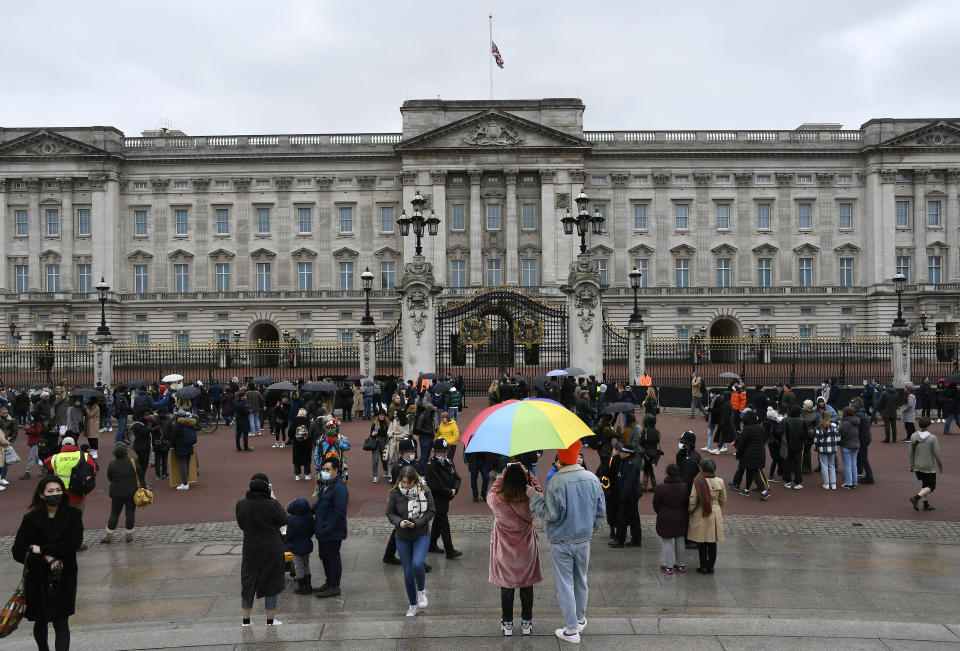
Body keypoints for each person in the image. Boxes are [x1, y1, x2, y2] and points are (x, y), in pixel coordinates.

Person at [527, 440, 605, 644]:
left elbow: (550, 514)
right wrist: (590, 529)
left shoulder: (556, 482)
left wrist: (533, 498)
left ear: (560, 459)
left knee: (565, 585)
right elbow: (600, 512)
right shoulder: (592, 478)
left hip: (562, 540)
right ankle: (579, 619)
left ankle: (571, 629)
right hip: (583, 539)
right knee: (581, 580)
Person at [12, 475, 83, 651]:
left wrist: (42, 549)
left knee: (61, 622)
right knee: (40, 620)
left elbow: (74, 544)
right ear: (42, 495)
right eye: (50, 491)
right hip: (38, 578)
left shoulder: (73, 515)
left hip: (63, 576)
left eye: (58, 490)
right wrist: (45, 559)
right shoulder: (30, 519)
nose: (55, 494)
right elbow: (18, 550)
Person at [487, 462, 542, 637]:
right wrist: (528, 474)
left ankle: (507, 624)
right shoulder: (531, 498)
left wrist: (501, 477)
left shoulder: (497, 500)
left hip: (505, 551)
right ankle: (527, 622)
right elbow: (539, 491)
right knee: (527, 586)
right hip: (526, 549)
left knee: (507, 587)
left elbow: (490, 493)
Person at [236, 473, 287, 627]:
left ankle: (246, 620)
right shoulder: (272, 504)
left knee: (248, 581)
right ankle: (270, 621)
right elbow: (283, 519)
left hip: (251, 548)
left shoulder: (241, 504)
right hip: (272, 548)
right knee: (272, 581)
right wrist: (274, 499)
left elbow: (242, 524)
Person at [387, 464, 436, 616]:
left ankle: (421, 590)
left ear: (415, 481)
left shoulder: (425, 491)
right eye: (403, 482)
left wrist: (418, 523)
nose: (406, 485)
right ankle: (412, 604)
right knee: (408, 573)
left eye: (409, 482)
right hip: (402, 536)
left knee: (417, 563)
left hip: (421, 534)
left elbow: (431, 511)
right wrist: (399, 522)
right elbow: (390, 513)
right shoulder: (395, 493)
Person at [313, 457, 349, 598]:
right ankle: (329, 582)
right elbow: (319, 503)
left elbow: (339, 513)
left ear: (336, 471)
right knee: (325, 557)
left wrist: (326, 528)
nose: (325, 472)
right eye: (323, 469)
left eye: (328, 469)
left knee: (333, 558)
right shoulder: (326, 484)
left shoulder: (339, 488)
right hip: (323, 530)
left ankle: (335, 586)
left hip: (332, 531)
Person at [425, 438, 463, 558]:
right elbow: (435, 485)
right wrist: (449, 492)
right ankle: (449, 550)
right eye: (442, 452)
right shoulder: (430, 465)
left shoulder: (448, 462)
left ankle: (431, 544)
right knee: (443, 522)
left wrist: (455, 490)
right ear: (436, 452)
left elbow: (457, 477)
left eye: (446, 451)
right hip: (437, 498)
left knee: (438, 520)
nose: (445, 453)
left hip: (446, 497)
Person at [688, 457, 726, 574]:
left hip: (701, 512)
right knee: (712, 542)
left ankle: (703, 566)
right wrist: (716, 506)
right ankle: (711, 566)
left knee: (702, 542)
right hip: (714, 513)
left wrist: (690, 510)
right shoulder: (720, 481)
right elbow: (723, 500)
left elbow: (693, 500)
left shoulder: (698, 481)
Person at [44, 435, 98, 515]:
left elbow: (46, 462)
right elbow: (94, 471)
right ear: (74, 444)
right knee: (77, 520)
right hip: (78, 494)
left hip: (60, 495)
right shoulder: (84, 456)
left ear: (62, 445)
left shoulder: (55, 458)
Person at [653, 463, 689, 574]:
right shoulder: (684, 487)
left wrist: (660, 511)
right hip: (681, 517)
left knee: (667, 542)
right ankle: (680, 565)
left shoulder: (661, 488)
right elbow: (687, 503)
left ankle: (668, 566)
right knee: (680, 541)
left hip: (666, 517)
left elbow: (656, 504)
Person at [102, 442, 140, 544]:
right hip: (131, 492)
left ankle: (108, 535)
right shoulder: (133, 461)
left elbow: (109, 477)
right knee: (130, 514)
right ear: (126, 452)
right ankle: (129, 535)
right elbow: (140, 474)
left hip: (116, 493)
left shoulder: (112, 464)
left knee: (114, 514)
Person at [608, 443, 642, 548]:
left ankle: (619, 540)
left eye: (622, 452)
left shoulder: (630, 465)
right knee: (634, 518)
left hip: (629, 496)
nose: (620, 453)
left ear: (628, 454)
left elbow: (629, 483)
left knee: (621, 518)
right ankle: (636, 539)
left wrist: (622, 496)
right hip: (631, 496)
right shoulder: (626, 462)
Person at [909, 416, 943, 512]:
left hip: (917, 466)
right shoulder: (933, 438)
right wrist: (941, 466)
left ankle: (926, 504)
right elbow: (937, 453)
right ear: (929, 426)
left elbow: (911, 453)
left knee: (925, 485)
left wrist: (911, 466)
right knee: (932, 486)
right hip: (928, 467)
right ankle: (916, 498)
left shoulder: (914, 436)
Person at [285, 497, 315, 594]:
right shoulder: (309, 517)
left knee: (298, 566)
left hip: (296, 546)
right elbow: (312, 530)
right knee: (306, 565)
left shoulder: (292, 520)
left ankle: (301, 587)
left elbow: (289, 535)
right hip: (307, 545)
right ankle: (308, 585)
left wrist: (288, 542)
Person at [170, 406, 198, 490]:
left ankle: (185, 483)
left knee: (182, 464)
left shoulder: (177, 425)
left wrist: (172, 445)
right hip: (189, 446)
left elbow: (173, 437)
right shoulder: (189, 423)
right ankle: (187, 481)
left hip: (180, 447)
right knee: (187, 464)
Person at [813, 409, 839, 490]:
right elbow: (838, 438)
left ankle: (826, 484)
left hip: (822, 449)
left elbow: (816, 440)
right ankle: (833, 484)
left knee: (824, 466)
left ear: (822, 417)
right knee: (832, 465)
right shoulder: (835, 426)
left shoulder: (820, 426)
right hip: (832, 448)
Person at [782, 405, 806, 489]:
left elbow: (778, 431)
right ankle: (797, 482)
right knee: (798, 464)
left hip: (787, 445)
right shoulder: (802, 421)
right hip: (798, 445)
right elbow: (806, 433)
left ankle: (788, 481)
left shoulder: (785, 420)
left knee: (787, 463)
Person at [637, 413, 661, 491]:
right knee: (648, 468)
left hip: (646, 453)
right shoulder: (656, 431)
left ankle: (645, 486)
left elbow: (641, 442)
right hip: (654, 453)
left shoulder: (645, 430)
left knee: (647, 468)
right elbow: (658, 440)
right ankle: (653, 486)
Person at [838, 406, 861, 489]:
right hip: (855, 445)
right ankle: (854, 482)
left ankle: (848, 483)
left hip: (846, 445)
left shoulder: (846, 423)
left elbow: (841, 433)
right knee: (853, 464)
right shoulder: (856, 422)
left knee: (847, 465)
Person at [290, 408, 314, 481]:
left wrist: (294, 438)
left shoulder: (294, 421)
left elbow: (290, 432)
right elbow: (311, 432)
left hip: (297, 443)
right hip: (306, 443)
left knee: (297, 459)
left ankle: (297, 475)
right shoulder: (308, 421)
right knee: (306, 458)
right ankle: (307, 474)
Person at [369, 410, 390, 482]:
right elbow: (370, 435)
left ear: (385, 416)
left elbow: (389, 434)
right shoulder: (374, 424)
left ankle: (385, 470)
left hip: (384, 442)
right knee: (375, 460)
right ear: (378, 416)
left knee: (384, 458)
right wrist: (373, 434)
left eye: (383, 415)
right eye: (380, 415)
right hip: (376, 442)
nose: (381, 416)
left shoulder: (387, 423)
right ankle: (375, 476)